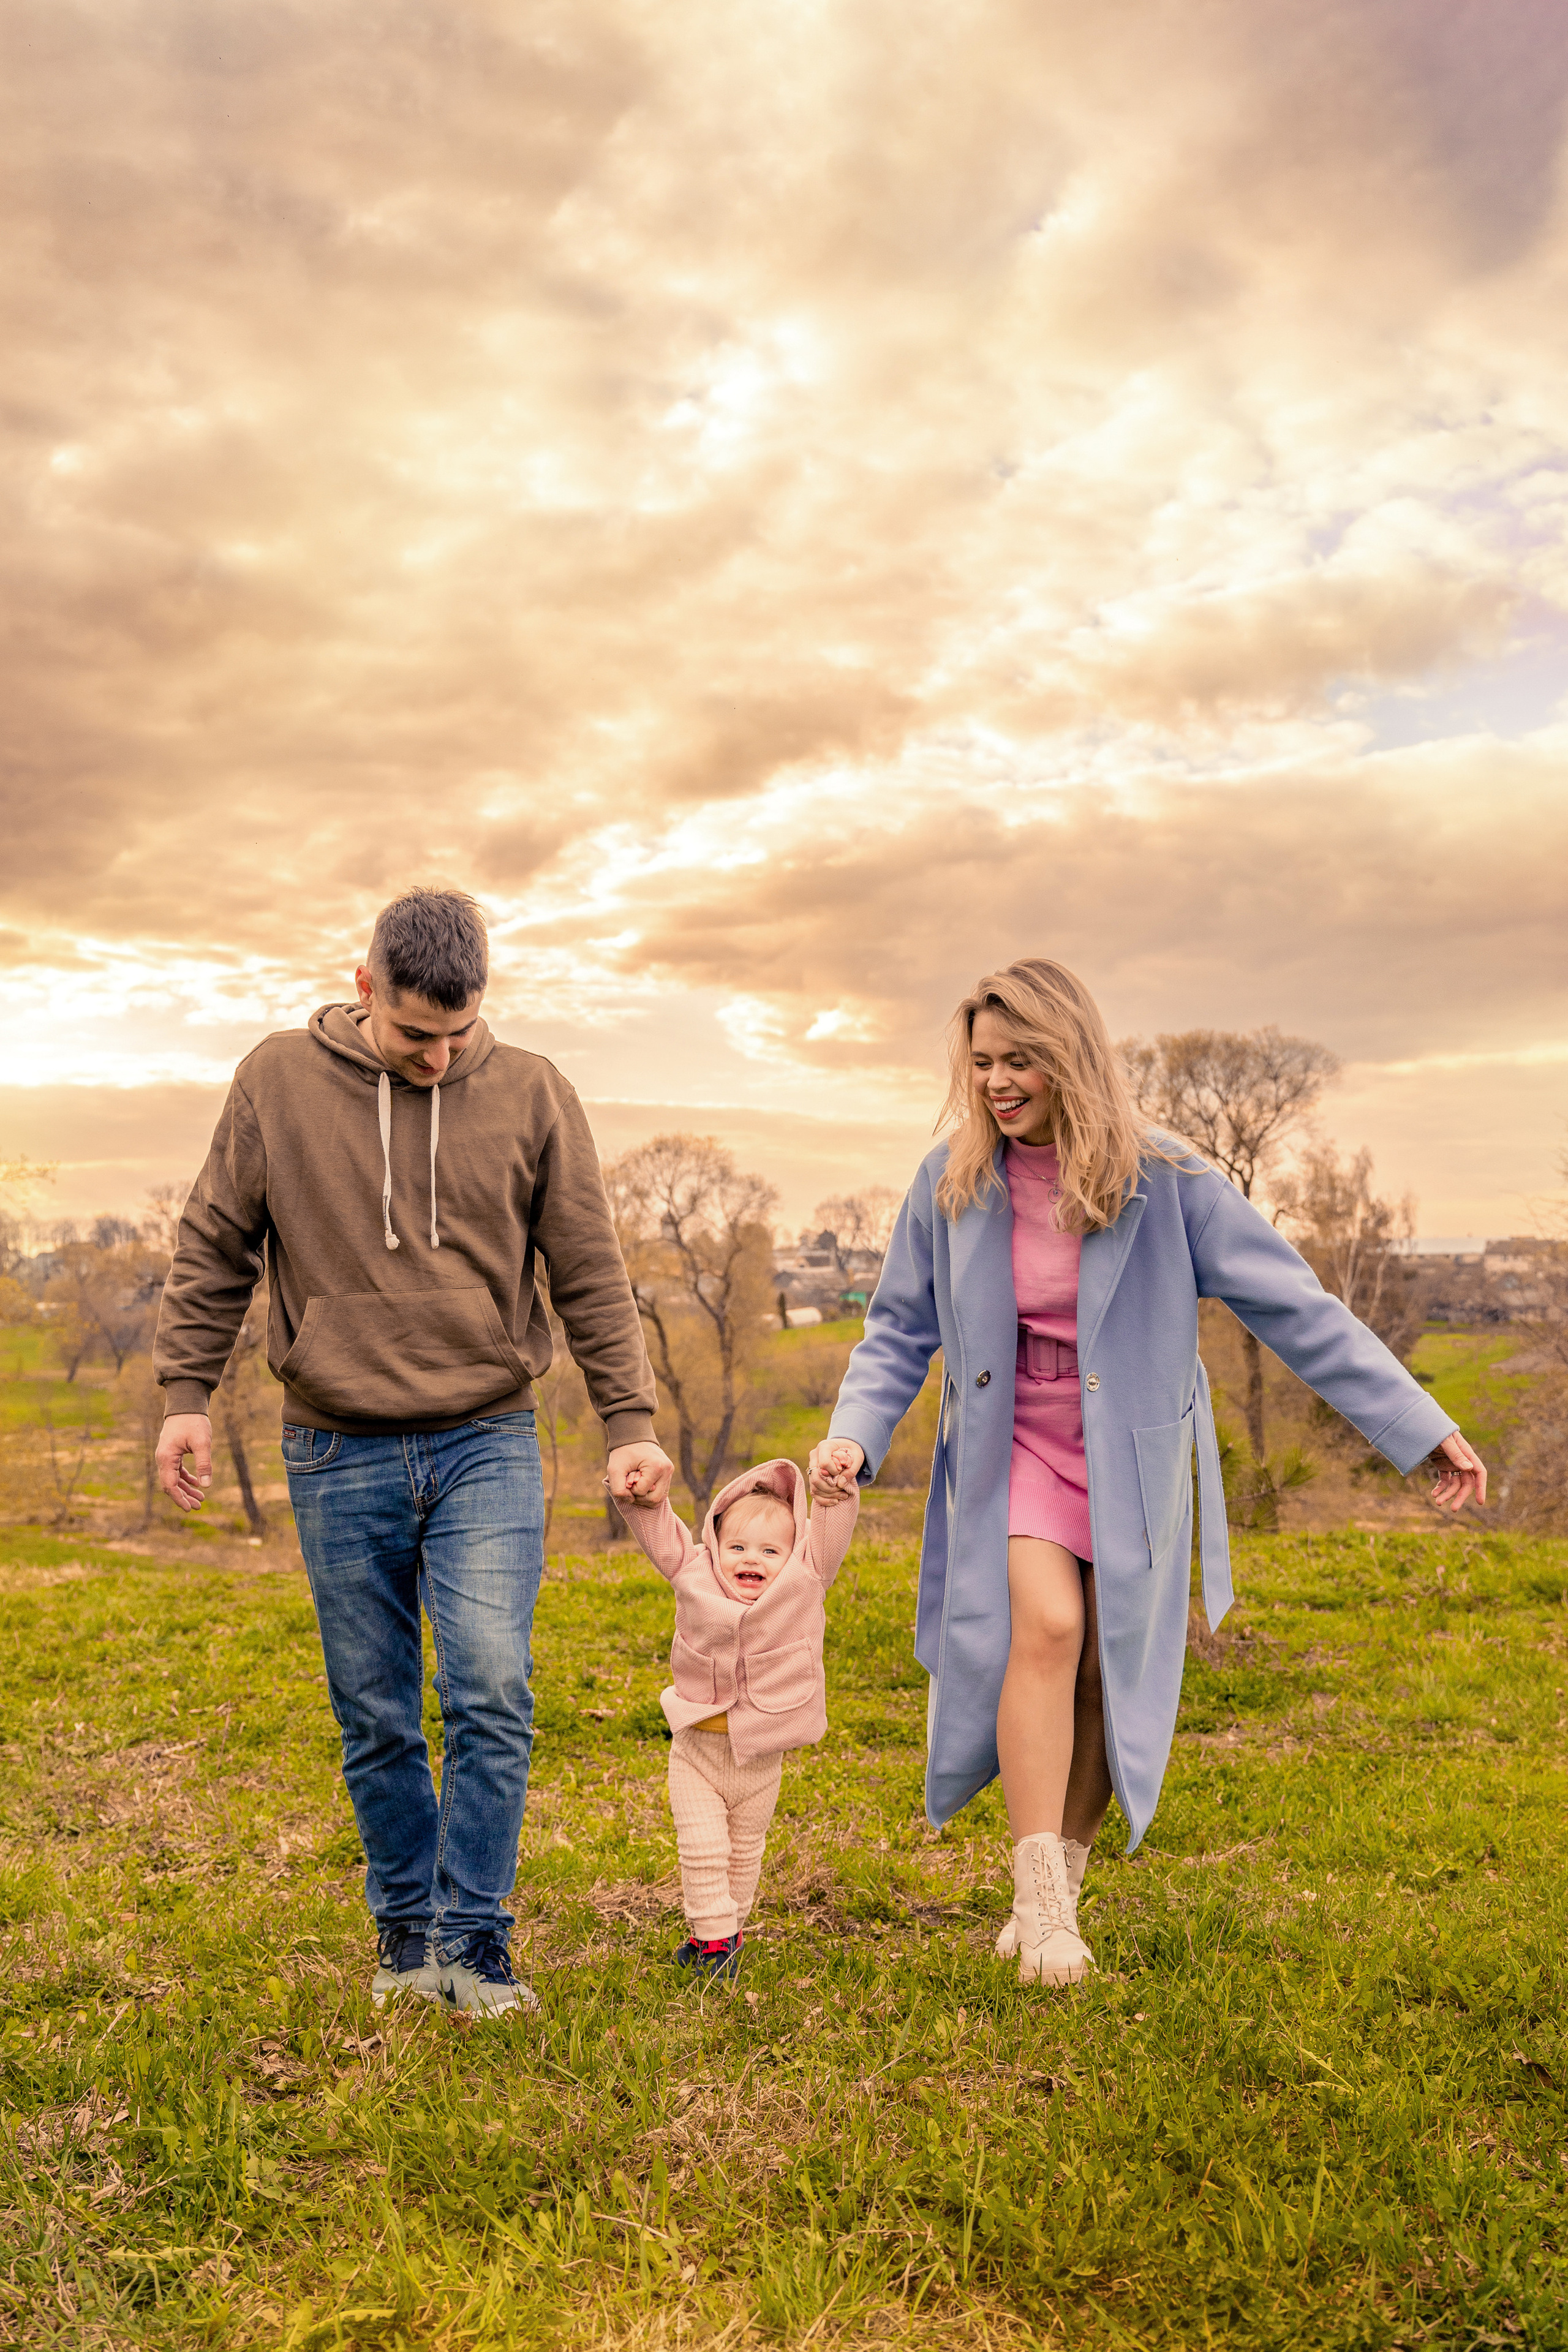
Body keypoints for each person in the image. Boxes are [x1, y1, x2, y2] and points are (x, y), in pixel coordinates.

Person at [810, 959, 1485, 1988]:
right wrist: (856, 1435)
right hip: (1012, 1445)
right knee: (1046, 1627)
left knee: (1099, 1670)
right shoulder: (952, 1179)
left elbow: (1295, 1307)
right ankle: (1039, 1910)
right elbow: (898, 1327)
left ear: (1069, 1058)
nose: (997, 1081)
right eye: (982, 1062)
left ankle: (1059, 1889)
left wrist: (1417, 1425)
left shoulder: (1167, 1179)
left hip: (1130, 1454)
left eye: (1020, 1060)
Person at [153, 888, 674, 2016]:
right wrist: (186, 1393)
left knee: (490, 1686)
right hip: (336, 1448)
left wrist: (629, 1420)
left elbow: (587, 1265)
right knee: (376, 1707)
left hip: (489, 1432)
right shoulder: (277, 1083)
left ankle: (476, 1942)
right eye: (413, 1034)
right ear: (362, 989)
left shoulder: (534, 1090)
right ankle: (406, 1941)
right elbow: (215, 1241)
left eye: (458, 1033)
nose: (438, 1058)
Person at [617, 1449, 861, 1980]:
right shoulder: (695, 1572)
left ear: (793, 1552)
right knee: (703, 1848)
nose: (753, 1559)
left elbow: (828, 1532)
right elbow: (662, 1531)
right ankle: (714, 1939)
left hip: (760, 1758)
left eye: (771, 1550)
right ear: (715, 1546)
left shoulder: (806, 1578)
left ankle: (725, 1933)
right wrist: (641, 1501)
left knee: (744, 1854)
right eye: (739, 1547)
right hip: (698, 1752)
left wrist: (834, 1494)